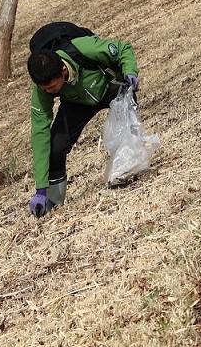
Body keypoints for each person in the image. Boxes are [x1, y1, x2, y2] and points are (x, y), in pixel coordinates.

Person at [27, 29, 139, 218]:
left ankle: (124, 171)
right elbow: (39, 132)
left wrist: (130, 72)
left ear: (63, 69)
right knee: (55, 147)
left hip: (109, 86)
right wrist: (41, 189)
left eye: (52, 86)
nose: (48, 91)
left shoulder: (83, 48)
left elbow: (122, 48)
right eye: (43, 88)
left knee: (125, 117)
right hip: (77, 102)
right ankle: (54, 200)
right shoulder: (42, 90)